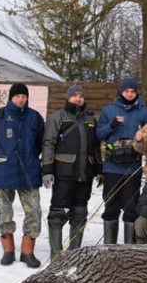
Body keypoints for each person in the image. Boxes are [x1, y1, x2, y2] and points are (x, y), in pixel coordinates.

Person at [0, 83, 44, 268]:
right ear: (10, 98)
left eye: (24, 96)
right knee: (4, 212)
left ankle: (27, 252)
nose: (21, 99)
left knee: (34, 212)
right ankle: (8, 251)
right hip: (3, 172)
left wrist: (31, 158)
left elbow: (40, 143)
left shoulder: (35, 117)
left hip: (29, 173)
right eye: (17, 96)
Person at [41, 84, 102, 261]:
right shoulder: (57, 117)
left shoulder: (91, 119)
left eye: (81, 95)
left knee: (79, 213)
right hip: (63, 172)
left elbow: (96, 147)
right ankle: (56, 254)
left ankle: (75, 253)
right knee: (58, 213)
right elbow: (48, 143)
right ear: (68, 98)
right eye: (74, 95)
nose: (78, 98)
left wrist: (99, 169)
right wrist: (47, 170)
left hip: (85, 174)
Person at [97, 78, 147, 244]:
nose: (129, 94)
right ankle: (110, 247)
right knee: (111, 206)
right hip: (111, 167)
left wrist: (142, 137)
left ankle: (129, 248)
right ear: (120, 92)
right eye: (126, 91)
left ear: (137, 93)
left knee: (131, 207)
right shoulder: (109, 110)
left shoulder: (144, 112)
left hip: (133, 167)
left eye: (132, 91)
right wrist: (111, 125)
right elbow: (99, 135)